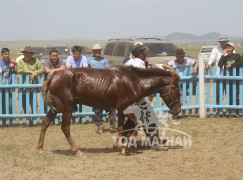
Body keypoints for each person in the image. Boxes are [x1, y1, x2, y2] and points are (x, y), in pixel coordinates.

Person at [87, 44, 115, 134]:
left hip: (105, 86)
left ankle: (112, 125)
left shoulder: (104, 60)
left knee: (111, 106)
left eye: (98, 51)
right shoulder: (89, 61)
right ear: (93, 52)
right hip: (94, 87)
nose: (97, 52)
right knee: (97, 107)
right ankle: (100, 125)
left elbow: (109, 72)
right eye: (96, 51)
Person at [17, 46, 44, 126]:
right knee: (24, 105)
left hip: (33, 88)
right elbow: (20, 70)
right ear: (24, 54)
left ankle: (34, 120)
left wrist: (35, 74)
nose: (27, 55)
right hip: (23, 87)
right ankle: (29, 121)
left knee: (33, 104)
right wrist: (31, 72)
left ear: (32, 54)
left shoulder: (36, 61)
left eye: (29, 54)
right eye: (26, 54)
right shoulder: (21, 61)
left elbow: (42, 69)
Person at [218, 42, 243, 116]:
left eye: (230, 48)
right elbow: (219, 64)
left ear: (233, 48)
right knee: (229, 95)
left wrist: (232, 65)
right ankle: (230, 110)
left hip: (236, 78)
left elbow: (241, 63)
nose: (228, 49)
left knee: (236, 95)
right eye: (227, 48)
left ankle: (237, 111)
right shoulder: (225, 57)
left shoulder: (237, 56)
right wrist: (223, 54)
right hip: (227, 79)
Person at [0, 48, 17, 125]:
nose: (7, 55)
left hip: (9, 86)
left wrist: (15, 64)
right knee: (2, 103)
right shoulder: (0, 63)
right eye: (5, 54)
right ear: (2, 54)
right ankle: (3, 120)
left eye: (8, 54)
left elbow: (16, 72)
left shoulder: (11, 63)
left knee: (10, 104)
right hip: (1, 87)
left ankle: (10, 120)